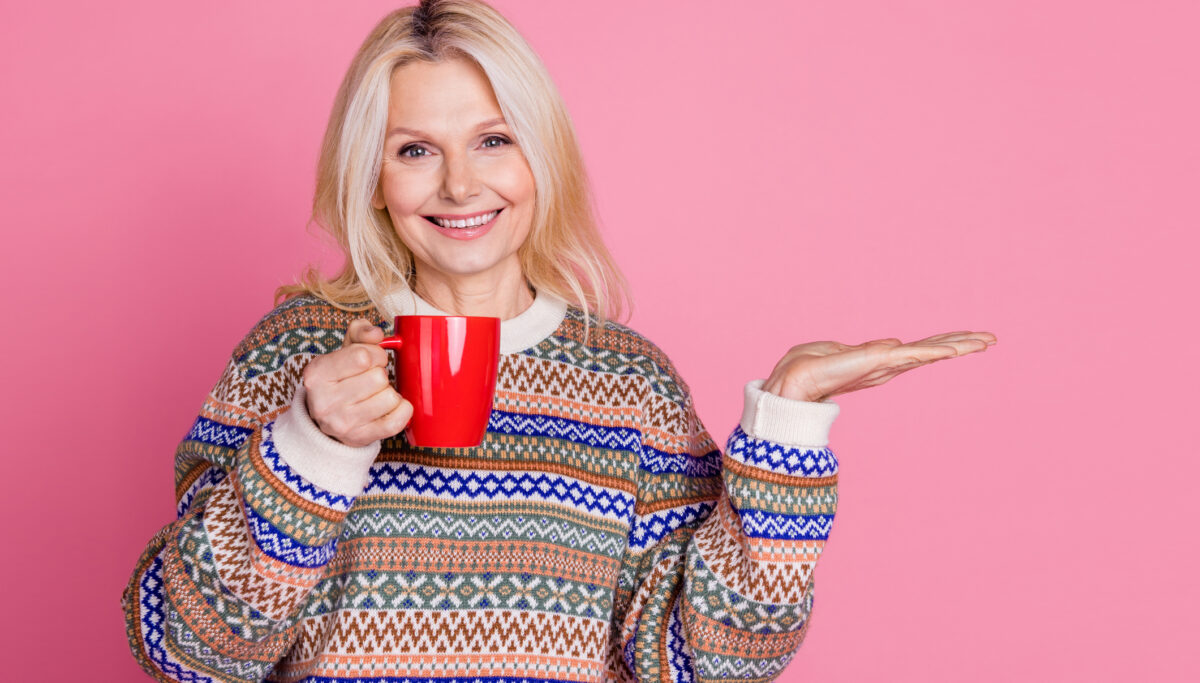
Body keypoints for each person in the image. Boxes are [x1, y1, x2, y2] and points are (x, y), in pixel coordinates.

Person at [121, 1, 996, 681]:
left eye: (494, 140)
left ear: (543, 158)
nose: (461, 182)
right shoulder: (296, 355)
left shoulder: (628, 382)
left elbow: (705, 662)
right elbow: (187, 651)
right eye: (415, 150)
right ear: (372, 179)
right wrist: (312, 446)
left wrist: (789, 423)